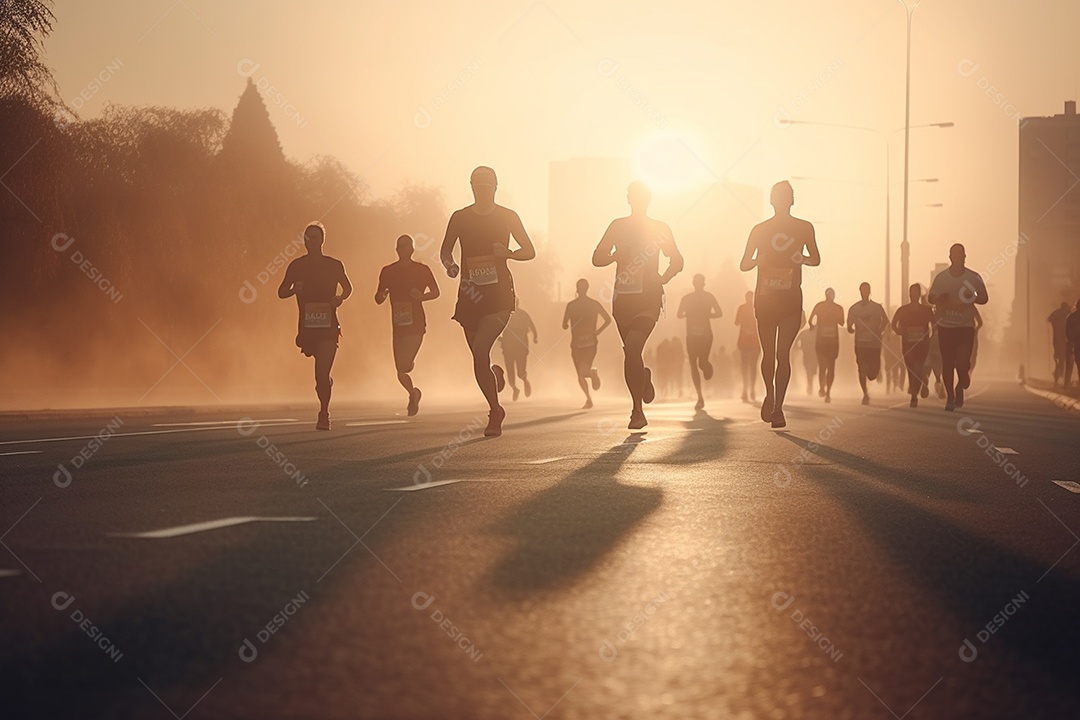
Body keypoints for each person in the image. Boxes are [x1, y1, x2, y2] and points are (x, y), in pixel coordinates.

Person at [440, 166, 536, 436]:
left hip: (499, 296)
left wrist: (508, 253)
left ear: (495, 187)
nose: (482, 190)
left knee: (480, 351)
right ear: (471, 186)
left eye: (487, 186)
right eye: (477, 186)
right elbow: (446, 249)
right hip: (470, 294)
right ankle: (495, 387)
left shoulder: (508, 216)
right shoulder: (460, 217)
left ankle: (494, 412)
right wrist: (450, 266)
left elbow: (529, 250)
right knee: (479, 358)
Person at [593, 181, 684, 430]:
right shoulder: (617, 226)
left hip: (649, 298)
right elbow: (597, 257)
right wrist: (614, 256)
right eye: (634, 196)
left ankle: (637, 411)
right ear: (629, 199)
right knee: (630, 353)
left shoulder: (660, 228)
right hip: (622, 299)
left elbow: (677, 260)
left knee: (633, 348)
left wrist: (663, 278)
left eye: (642, 197)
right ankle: (642, 377)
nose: (638, 200)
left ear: (649, 200)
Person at [739, 180, 820, 428]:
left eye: (786, 196)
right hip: (765, 299)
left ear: (792, 200)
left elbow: (815, 258)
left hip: (790, 300)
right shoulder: (759, 230)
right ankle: (770, 394)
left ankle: (778, 408)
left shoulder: (804, 228)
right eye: (778, 196)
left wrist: (801, 258)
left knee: (782, 353)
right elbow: (744, 264)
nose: (782, 200)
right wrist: (758, 260)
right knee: (769, 354)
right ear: (772, 201)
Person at [277, 221, 353, 430]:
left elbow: (348, 288)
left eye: (315, 237)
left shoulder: (334, 265)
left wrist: (339, 298)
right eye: (308, 237)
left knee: (321, 372)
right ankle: (326, 384)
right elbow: (281, 291)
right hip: (307, 328)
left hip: (329, 327)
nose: (311, 240)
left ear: (322, 240)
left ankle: (324, 413)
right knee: (320, 377)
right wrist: (294, 289)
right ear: (304, 241)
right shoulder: (297, 266)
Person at [375, 234, 440, 416]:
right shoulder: (387, 271)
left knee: (406, 365)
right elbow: (378, 297)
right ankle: (413, 393)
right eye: (400, 246)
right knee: (400, 370)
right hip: (398, 325)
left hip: (416, 324)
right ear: (396, 250)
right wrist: (383, 295)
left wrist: (422, 297)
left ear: (412, 249)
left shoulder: (422, 270)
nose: (403, 249)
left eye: (406, 246)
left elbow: (436, 292)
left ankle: (410, 369)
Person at [928, 243, 989, 411]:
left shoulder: (973, 277)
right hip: (945, 326)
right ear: (950, 257)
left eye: (961, 255)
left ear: (964, 257)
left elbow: (984, 298)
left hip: (964, 326)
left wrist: (973, 296)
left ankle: (961, 382)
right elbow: (930, 297)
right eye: (954, 255)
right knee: (947, 363)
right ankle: (950, 398)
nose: (958, 258)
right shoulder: (941, 278)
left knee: (962, 363)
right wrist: (939, 298)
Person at [562, 278, 611, 408]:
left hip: (577, 343)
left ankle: (589, 391)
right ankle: (588, 397)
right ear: (587, 289)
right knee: (582, 372)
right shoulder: (594, 304)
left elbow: (564, 324)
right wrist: (597, 332)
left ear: (577, 289)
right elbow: (608, 319)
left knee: (581, 374)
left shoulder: (571, 305)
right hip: (591, 342)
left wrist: (569, 324)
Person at [677, 274, 722, 410]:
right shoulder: (688, 298)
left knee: (700, 363)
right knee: (693, 364)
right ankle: (700, 397)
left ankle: (706, 365)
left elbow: (719, 312)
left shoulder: (707, 297)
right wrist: (693, 315)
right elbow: (679, 314)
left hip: (705, 335)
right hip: (693, 335)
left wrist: (705, 315)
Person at [891, 283, 934, 407]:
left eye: (916, 292)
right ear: (909, 294)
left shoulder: (926, 310)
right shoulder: (902, 310)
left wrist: (931, 336)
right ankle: (918, 386)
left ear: (919, 295)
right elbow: (893, 324)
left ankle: (914, 394)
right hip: (907, 344)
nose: (913, 294)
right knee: (910, 368)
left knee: (918, 366)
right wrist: (900, 331)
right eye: (911, 292)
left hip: (922, 344)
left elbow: (934, 324)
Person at [847, 282, 889, 405]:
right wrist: (851, 328)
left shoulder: (877, 307)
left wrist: (879, 330)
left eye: (866, 290)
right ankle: (865, 393)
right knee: (861, 368)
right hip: (860, 343)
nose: (864, 293)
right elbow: (849, 325)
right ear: (859, 291)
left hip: (874, 344)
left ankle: (875, 372)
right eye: (862, 290)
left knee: (872, 374)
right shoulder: (854, 308)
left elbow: (886, 321)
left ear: (870, 291)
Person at [808, 288, 844, 403]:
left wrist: (813, 326)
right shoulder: (821, 306)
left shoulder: (837, 308)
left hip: (831, 342)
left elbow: (842, 322)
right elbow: (810, 320)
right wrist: (813, 326)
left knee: (829, 367)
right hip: (822, 342)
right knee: (824, 367)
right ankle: (824, 389)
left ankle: (827, 391)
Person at [500, 298, 538, 401]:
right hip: (508, 347)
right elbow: (498, 328)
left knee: (521, 372)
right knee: (510, 372)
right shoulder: (504, 315)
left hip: (520, 347)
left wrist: (535, 336)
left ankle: (524, 380)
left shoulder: (522, 314)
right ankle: (515, 388)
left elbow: (532, 327)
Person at [734, 291, 760, 403]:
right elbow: (736, 322)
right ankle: (746, 390)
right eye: (748, 297)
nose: (749, 299)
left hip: (754, 342)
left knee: (752, 367)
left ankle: (751, 390)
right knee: (745, 367)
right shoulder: (743, 308)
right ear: (746, 298)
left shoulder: (757, 308)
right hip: (745, 342)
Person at [1049, 302, 1072, 388]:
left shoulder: (1057, 314)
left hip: (1058, 340)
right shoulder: (1068, 315)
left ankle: (1059, 377)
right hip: (1065, 341)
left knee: (1059, 359)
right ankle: (1062, 379)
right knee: (1065, 360)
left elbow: (1050, 320)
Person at [795, 323, 817, 396]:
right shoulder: (816, 333)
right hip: (812, 355)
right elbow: (796, 343)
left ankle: (810, 385)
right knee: (810, 371)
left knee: (810, 371)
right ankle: (810, 385)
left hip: (810, 354)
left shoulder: (804, 333)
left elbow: (796, 343)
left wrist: (799, 348)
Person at [1066, 300, 1080, 391]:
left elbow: (1067, 331)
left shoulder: (1071, 317)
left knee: (1078, 362)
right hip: (1076, 342)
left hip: (1076, 343)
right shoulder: (1071, 317)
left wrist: (1071, 341)